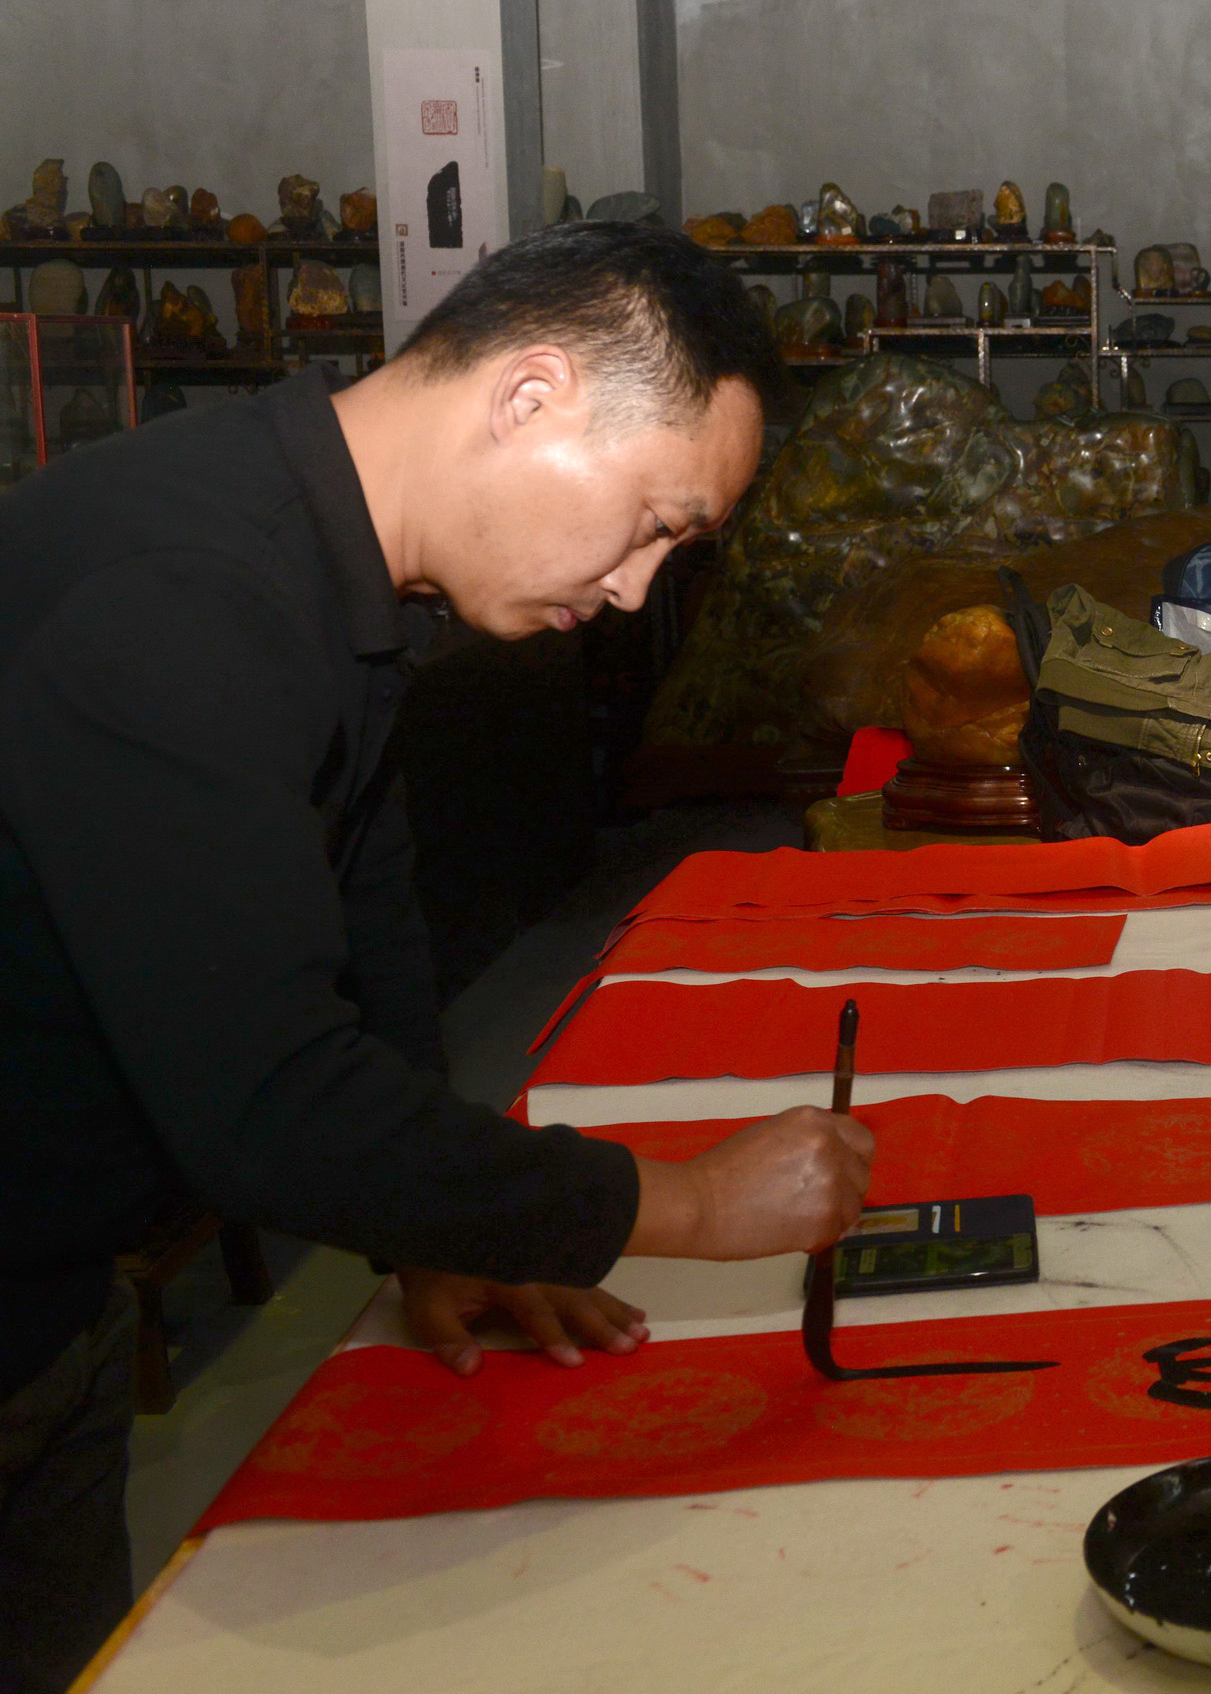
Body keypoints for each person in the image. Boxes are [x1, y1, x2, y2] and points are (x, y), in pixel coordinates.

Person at [0, 224, 874, 1694]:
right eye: (652, 522)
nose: (637, 589)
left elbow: (368, 908)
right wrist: (691, 1202)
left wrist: (449, 1225)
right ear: (531, 395)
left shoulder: (335, 563)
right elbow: (272, 1105)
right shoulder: (183, 591)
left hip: (51, 1300)